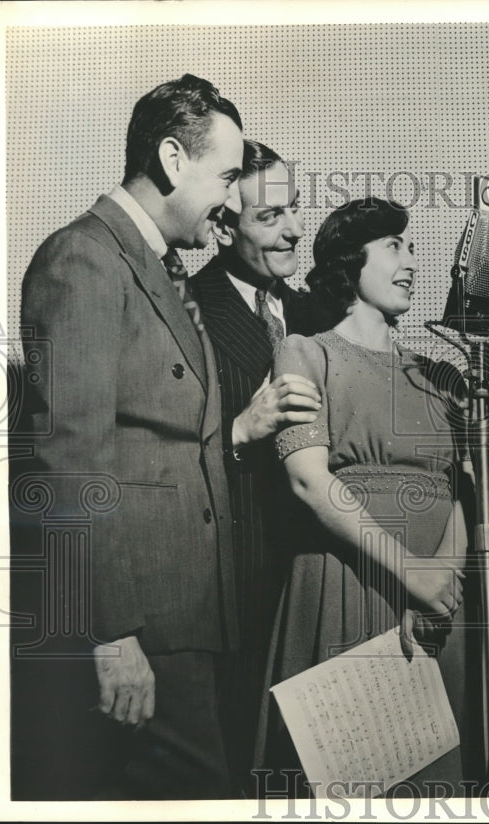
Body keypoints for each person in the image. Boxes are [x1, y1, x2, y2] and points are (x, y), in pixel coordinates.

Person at [10, 74, 245, 798]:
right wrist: (111, 636)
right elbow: (68, 461)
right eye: (228, 176)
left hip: (184, 619)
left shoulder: (156, 268)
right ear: (173, 160)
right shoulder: (83, 259)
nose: (233, 200)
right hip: (138, 623)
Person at [254, 198, 480, 794]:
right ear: (351, 262)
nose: (412, 261)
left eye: (410, 248)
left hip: (440, 606)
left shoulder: (438, 373)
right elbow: (308, 480)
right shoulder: (306, 352)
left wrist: (441, 585)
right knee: (354, 784)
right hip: (349, 587)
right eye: (395, 247)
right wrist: (415, 576)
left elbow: (467, 490)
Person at [189, 139, 325, 794]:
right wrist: (242, 429)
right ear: (222, 225)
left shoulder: (312, 314)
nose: (295, 228)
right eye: (270, 216)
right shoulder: (184, 314)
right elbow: (156, 471)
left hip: (317, 595)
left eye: (294, 208)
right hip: (236, 604)